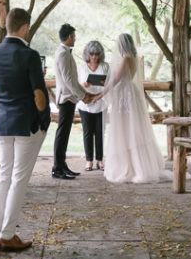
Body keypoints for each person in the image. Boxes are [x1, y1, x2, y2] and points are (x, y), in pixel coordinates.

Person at [0, 8, 51, 252]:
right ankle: (8, 234)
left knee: (4, 177)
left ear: (6, 26)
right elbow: (38, 95)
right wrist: (44, 122)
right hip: (26, 125)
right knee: (19, 179)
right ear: (25, 27)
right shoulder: (30, 55)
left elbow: (2, 87)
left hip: (3, 122)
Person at [95, 33, 168, 184]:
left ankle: (131, 166)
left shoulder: (125, 58)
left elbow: (116, 79)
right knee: (131, 128)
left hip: (124, 95)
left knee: (125, 129)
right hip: (129, 92)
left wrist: (102, 93)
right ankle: (134, 164)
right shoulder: (133, 58)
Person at [52, 24, 96, 179]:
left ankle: (62, 166)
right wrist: (83, 96)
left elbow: (73, 80)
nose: (75, 39)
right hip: (65, 98)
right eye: (74, 36)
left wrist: (85, 93)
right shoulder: (62, 54)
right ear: (69, 36)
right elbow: (68, 80)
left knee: (64, 134)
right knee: (62, 133)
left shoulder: (65, 53)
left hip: (70, 97)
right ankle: (57, 168)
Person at [76, 40, 109, 172]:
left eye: (96, 54)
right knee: (87, 132)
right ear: (87, 54)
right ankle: (89, 160)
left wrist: (104, 82)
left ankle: (100, 160)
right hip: (85, 103)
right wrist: (85, 85)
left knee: (100, 132)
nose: (94, 57)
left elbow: (111, 83)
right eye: (92, 54)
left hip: (101, 102)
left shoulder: (105, 66)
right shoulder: (82, 67)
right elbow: (76, 85)